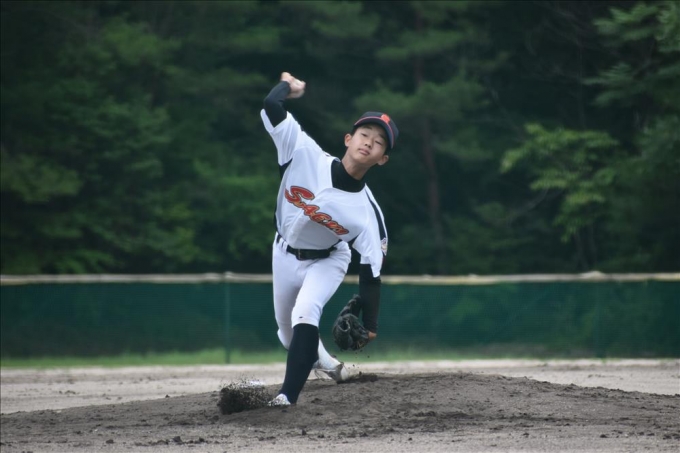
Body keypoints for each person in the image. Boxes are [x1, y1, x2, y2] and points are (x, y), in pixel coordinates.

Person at [261, 72, 399, 406]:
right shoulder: (303, 152)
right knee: (287, 335)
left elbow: (371, 272)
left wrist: (370, 326)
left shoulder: (368, 213)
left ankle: (286, 398)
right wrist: (288, 86)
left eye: (379, 142)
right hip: (283, 252)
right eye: (364, 134)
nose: (369, 142)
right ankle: (326, 363)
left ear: (382, 159)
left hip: (327, 259)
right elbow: (271, 106)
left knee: (305, 312)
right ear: (348, 138)